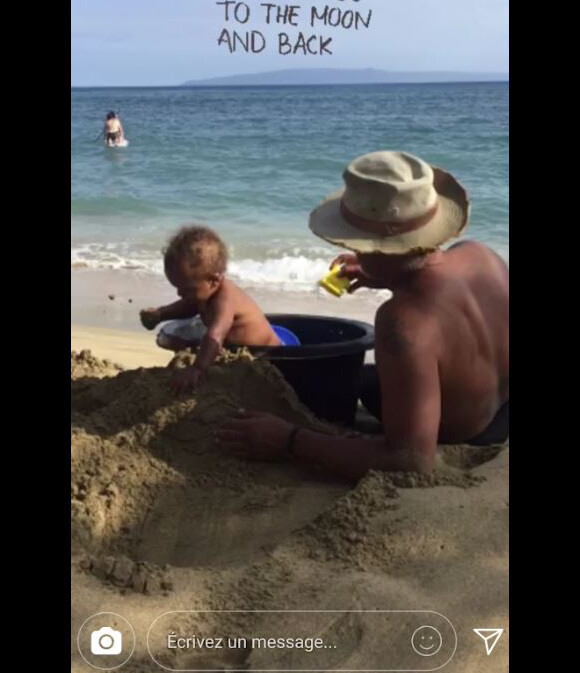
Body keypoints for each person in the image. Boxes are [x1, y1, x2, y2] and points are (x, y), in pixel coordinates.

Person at [217, 151, 509, 481]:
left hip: (468, 431)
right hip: (501, 408)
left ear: (376, 247)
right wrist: (385, 276)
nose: (354, 251)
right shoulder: (480, 256)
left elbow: (410, 460)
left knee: (359, 384)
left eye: (357, 244)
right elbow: (442, 300)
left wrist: (288, 440)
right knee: (370, 378)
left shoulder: (402, 322)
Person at [140, 226, 282, 392]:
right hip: (233, 349)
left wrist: (198, 368)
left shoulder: (225, 298)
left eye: (186, 289)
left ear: (213, 281)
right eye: (177, 288)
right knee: (179, 340)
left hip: (267, 355)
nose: (179, 293)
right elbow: (188, 306)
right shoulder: (203, 292)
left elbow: (216, 334)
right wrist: (161, 314)